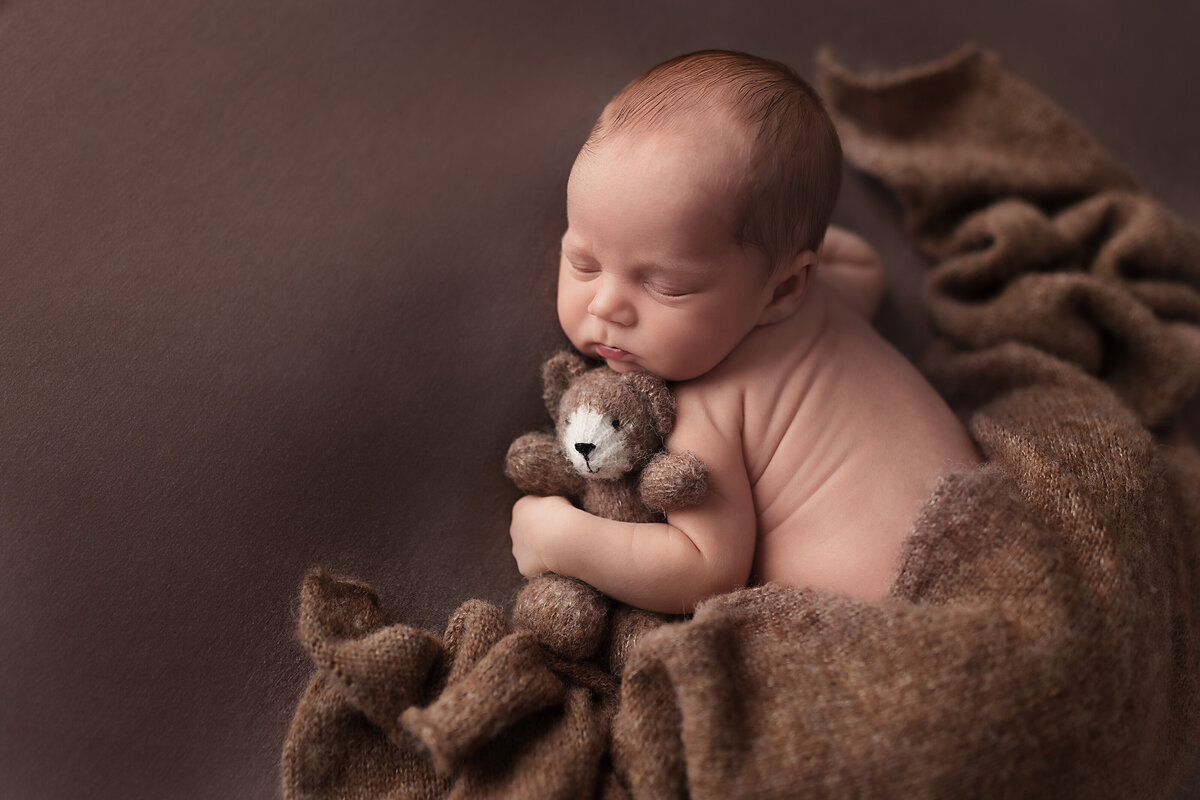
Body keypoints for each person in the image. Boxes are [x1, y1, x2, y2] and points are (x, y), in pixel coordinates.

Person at [509, 50, 978, 614]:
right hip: (976, 544)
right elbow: (864, 267)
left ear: (783, 291)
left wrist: (558, 539)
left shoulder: (705, 404)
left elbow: (704, 569)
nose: (607, 304)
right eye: (583, 263)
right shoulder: (826, 296)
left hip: (873, 623)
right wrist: (772, 247)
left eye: (666, 286)